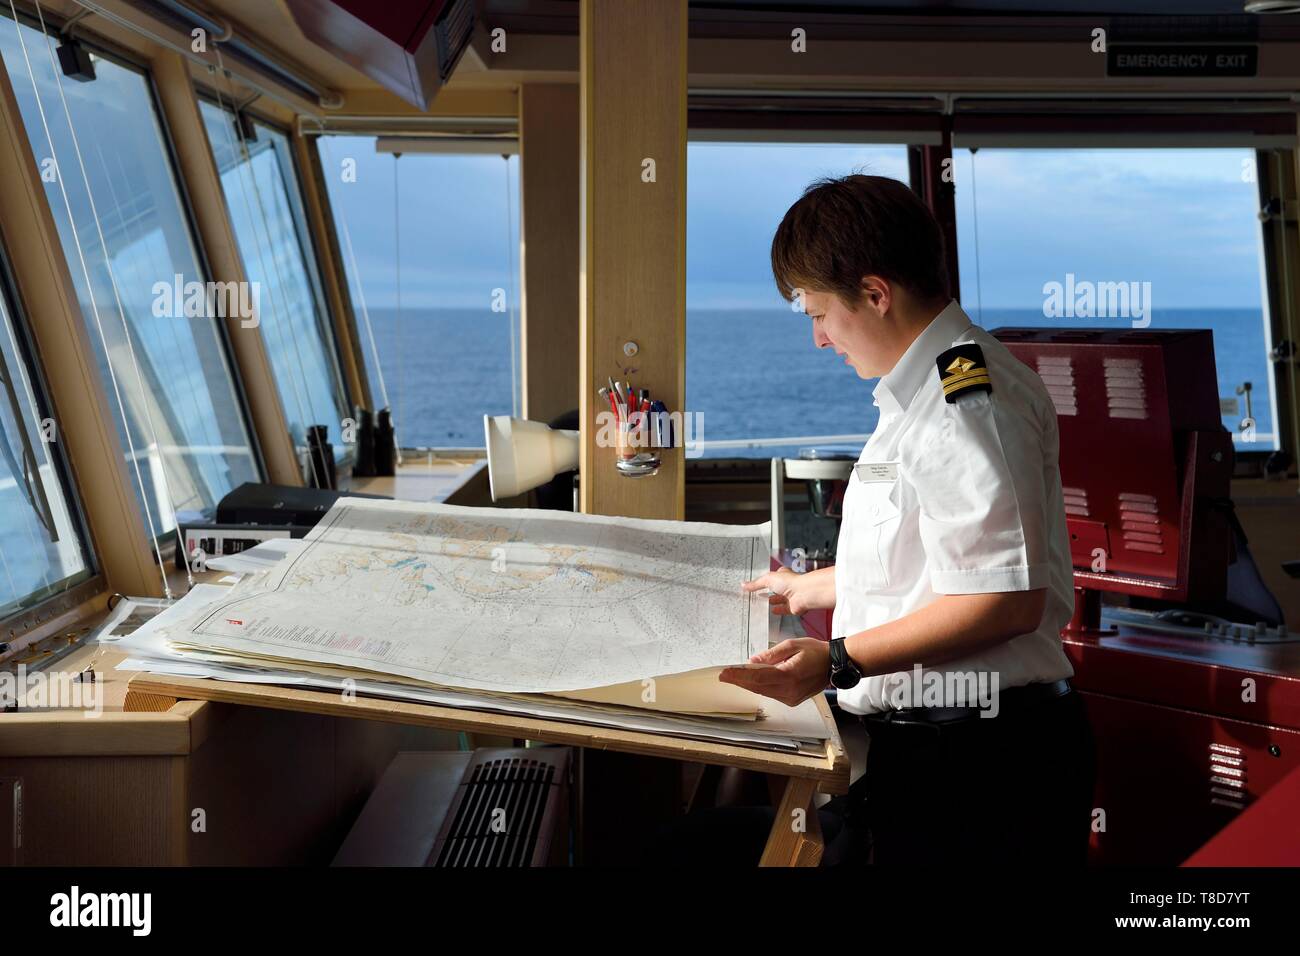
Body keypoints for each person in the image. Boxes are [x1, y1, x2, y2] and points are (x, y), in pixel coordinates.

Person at [717, 173, 1095, 866]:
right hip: (935, 756)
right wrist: (815, 585)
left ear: (875, 294)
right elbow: (938, 555)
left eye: (818, 314)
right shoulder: (924, 394)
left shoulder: (964, 402)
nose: (819, 339)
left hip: (979, 766)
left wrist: (834, 660)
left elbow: (1005, 600)